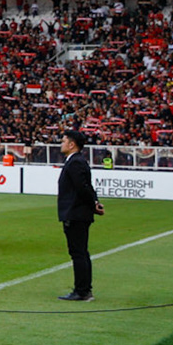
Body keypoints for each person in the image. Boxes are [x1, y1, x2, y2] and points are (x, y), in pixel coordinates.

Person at [56, 128, 104, 300]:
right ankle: (83, 289)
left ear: (71, 144)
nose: (61, 144)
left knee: (78, 253)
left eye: (63, 141)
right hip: (78, 212)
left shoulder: (75, 162)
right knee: (81, 252)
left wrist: (92, 204)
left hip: (76, 213)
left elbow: (82, 187)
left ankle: (82, 290)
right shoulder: (76, 161)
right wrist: (95, 203)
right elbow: (86, 186)